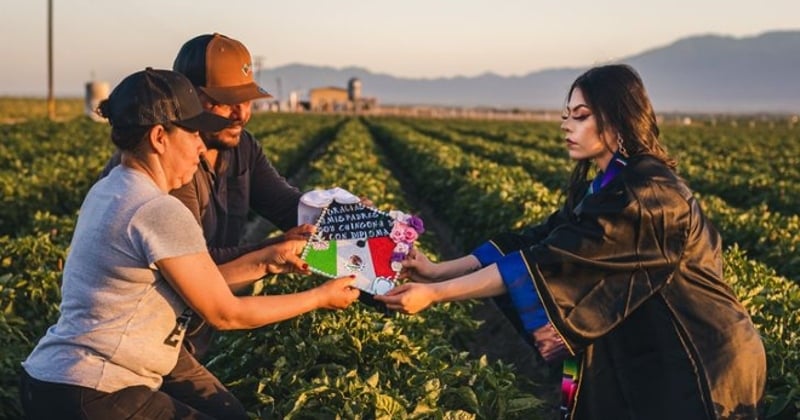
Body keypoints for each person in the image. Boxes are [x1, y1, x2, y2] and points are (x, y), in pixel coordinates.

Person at [376, 64, 766, 419]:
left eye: (580, 116)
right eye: (567, 115)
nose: (566, 125)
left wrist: (436, 293)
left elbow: (548, 262)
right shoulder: (609, 183)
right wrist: (435, 271)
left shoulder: (647, 195)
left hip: (700, 355)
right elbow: (535, 242)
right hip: (654, 348)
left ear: (618, 119)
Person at [19, 68, 360, 420]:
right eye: (194, 133)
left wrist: (269, 260)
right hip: (94, 392)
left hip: (52, 381)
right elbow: (226, 313)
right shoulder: (159, 210)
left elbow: (200, 282)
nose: (200, 148)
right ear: (159, 138)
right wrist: (320, 297)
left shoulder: (111, 187)